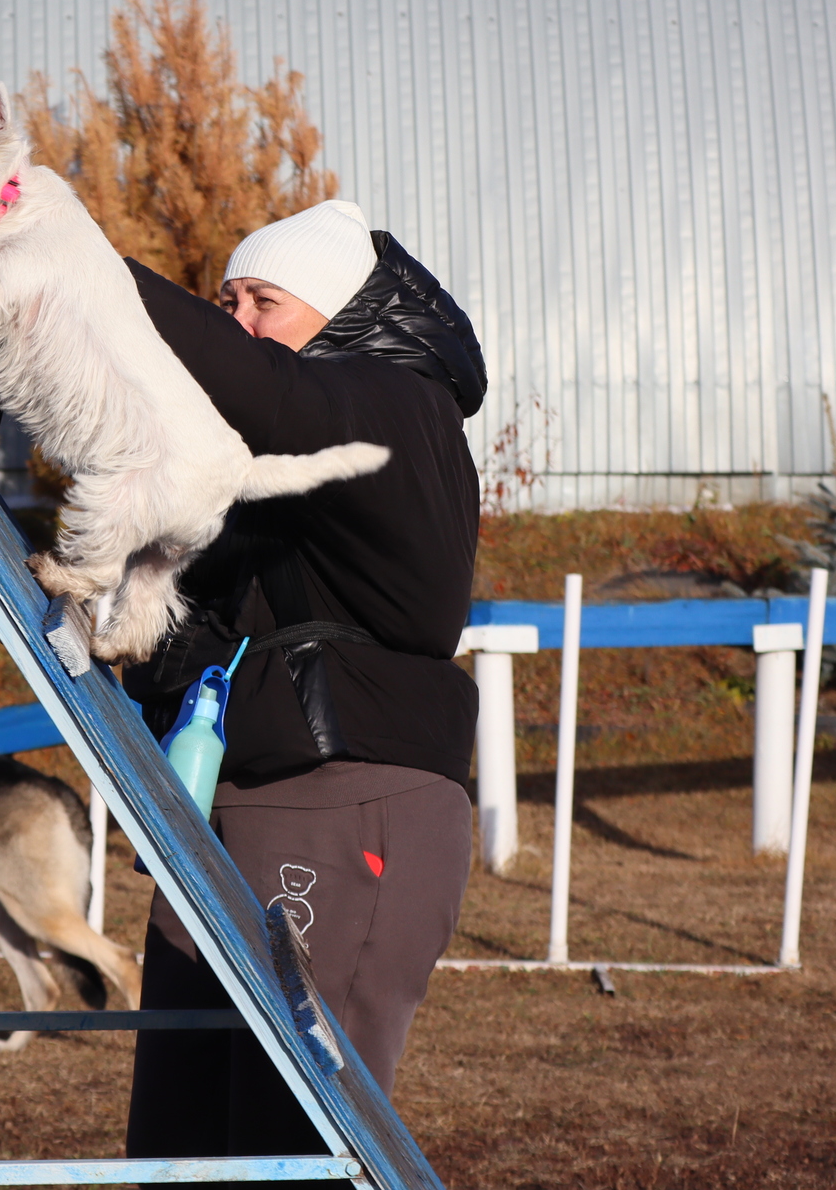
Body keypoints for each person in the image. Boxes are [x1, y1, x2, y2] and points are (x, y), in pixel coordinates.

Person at [119, 200, 486, 1162]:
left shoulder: (395, 405)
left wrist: (80, 270)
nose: (237, 320)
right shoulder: (260, 462)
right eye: (225, 298)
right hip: (227, 806)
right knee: (180, 1144)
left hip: (351, 802)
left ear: (339, 312)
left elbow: (269, 389)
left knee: (293, 1146)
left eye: (263, 302)